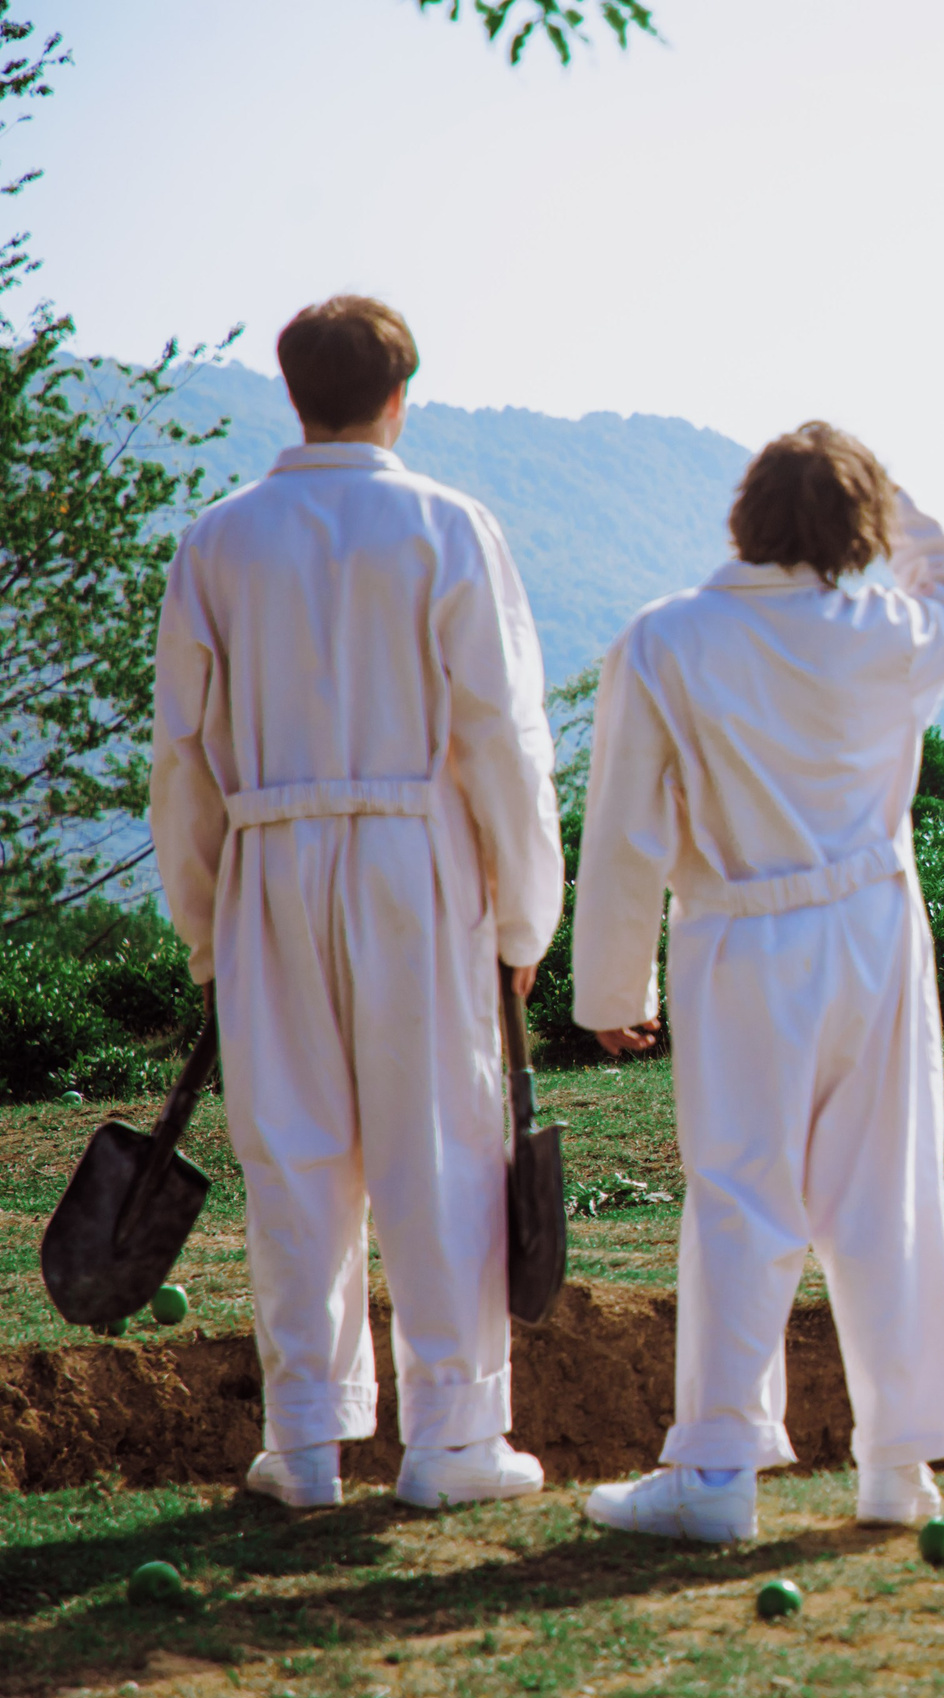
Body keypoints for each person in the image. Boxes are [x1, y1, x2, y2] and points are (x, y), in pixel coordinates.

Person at [149, 296, 565, 1510]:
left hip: (268, 863)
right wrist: (526, 912)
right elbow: (502, 733)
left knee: (292, 1152)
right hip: (414, 861)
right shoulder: (448, 525)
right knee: (438, 1141)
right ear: (399, 396)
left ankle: (305, 1443)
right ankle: (454, 1440)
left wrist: (204, 923)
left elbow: (182, 754)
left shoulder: (218, 541)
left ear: (293, 395)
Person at [572, 422, 944, 1542]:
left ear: (743, 513)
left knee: (741, 1195)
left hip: (740, 938)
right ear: (863, 523)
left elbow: (623, 829)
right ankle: (899, 1468)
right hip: (873, 931)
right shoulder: (889, 630)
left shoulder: (666, 639)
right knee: (887, 1191)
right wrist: (889, 496)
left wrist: (614, 986)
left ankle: (717, 1472)